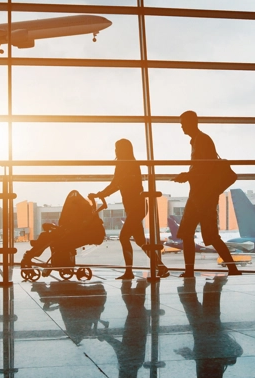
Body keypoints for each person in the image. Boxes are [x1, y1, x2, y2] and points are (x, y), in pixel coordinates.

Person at [172, 111, 240, 277]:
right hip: (200, 195)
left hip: (202, 196)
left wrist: (187, 176)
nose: (181, 127)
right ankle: (231, 269)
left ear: (192, 122)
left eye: (183, 123)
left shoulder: (201, 140)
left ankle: (192, 271)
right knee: (204, 235)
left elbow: (205, 169)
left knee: (196, 234)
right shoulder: (198, 140)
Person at [91, 139, 169, 280]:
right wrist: (101, 194)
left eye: (117, 148)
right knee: (140, 240)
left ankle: (129, 271)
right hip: (136, 207)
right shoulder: (130, 163)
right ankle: (161, 267)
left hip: (135, 208)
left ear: (123, 150)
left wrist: (101, 194)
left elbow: (116, 184)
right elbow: (117, 184)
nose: (115, 151)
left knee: (123, 237)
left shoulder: (125, 164)